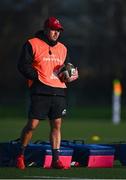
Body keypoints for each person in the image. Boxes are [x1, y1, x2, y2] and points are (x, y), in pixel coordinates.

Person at [16, 16, 78, 170]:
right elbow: (22, 65)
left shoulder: (63, 48)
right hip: (40, 89)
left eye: (58, 30)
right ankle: (20, 155)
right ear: (45, 29)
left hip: (59, 90)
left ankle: (56, 160)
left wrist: (72, 74)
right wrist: (37, 77)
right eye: (53, 29)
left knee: (57, 125)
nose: (56, 33)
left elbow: (67, 67)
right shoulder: (32, 43)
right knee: (32, 125)